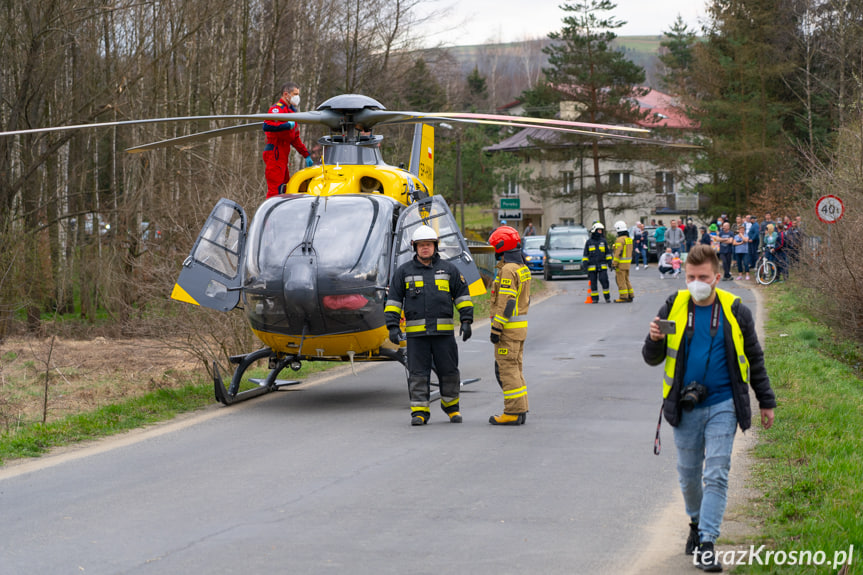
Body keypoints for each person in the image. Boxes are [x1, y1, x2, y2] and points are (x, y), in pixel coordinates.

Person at [642, 244, 776, 572]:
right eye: (690, 276)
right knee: (689, 477)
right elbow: (651, 358)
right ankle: (695, 522)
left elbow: (755, 359)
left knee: (716, 472)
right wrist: (654, 339)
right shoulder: (673, 305)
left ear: (717, 277)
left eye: (702, 277)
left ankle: (707, 543)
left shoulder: (735, 310)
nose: (696, 282)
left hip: (724, 403)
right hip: (684, 405)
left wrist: (766, 401)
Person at [385, 225, 474, 426]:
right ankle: (419, 412)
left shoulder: (449, 270)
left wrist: (467, 320)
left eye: (429, 245)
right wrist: (392, 326)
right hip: (417, 337)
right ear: (414, 247)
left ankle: (452, 409)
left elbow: (462, 296)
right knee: (418, 373)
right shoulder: (403, 272)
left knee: (449, 371)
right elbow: (393, 300)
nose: (425, 248)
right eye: (421, 245)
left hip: (443, 335)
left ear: (435, 246)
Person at [487, 225, 531, 425]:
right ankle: (520, 409)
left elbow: (507, 302)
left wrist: (496, 328)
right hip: (519, 329)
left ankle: (512, 412)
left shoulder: (508, 270)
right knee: (516, 369)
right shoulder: (522, 268)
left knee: (507, 370)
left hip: (507, 330)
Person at [263, 82, 314, 198]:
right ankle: (271, 214)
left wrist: (306, 155)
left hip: (283, 155)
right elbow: (267, 125)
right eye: (295, 94)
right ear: (286, 94)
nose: (297, 97)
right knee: (275, 190)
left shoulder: (292, 113)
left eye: (298, 94)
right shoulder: (277, 109)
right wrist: (286, 125)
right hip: (274, 153)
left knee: (286, 187)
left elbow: (295, 139)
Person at [582, 222, 613, 303]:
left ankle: (607, 298)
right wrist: (585, 264)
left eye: (601, 230)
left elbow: (608, 253)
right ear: (594, 230)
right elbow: (585, 254)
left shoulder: (604, 241)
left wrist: (610, 263)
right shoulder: (589, 242)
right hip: (592, 266)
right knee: (593, 283)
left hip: (602, 266)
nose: (600, 232)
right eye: (599, 230)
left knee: (604, 281)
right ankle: (595, 299)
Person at [612, 220, 634, 302]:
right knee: (626, 280)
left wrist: (614, 264)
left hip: (620, 264)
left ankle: (623, 297)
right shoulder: (629, 239)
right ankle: (630, 295)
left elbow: (618, 253)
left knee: (621, 281)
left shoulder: (619, 240)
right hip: (627, 264)